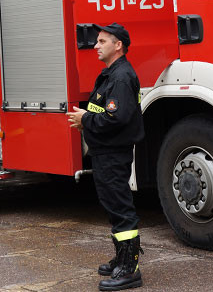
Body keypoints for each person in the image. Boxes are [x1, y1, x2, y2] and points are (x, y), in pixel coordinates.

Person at [66, 23, 145, 291]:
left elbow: (117, 118)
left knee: (120, 209)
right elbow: (106, 112)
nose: (96, 46)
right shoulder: (112, 74)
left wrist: (86, 118)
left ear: (118, 45)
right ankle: (121, 258)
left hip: (113, 153)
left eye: (101, 41)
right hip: (105, 152)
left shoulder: (121, 77)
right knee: (113, 206)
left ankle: (129, 269)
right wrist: (86, 120)